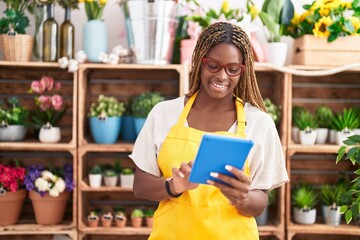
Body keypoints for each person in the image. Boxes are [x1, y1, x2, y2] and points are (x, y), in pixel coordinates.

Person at [129, 22, 289, 239]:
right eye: (213, 65)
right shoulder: (164, 113)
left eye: (232, 69)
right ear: (199, 62)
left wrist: (242, 198)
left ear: (243, 70)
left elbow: (260, 201)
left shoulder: (259, 123)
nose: (222, 76)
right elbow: (140, 185)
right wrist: (174, 186)